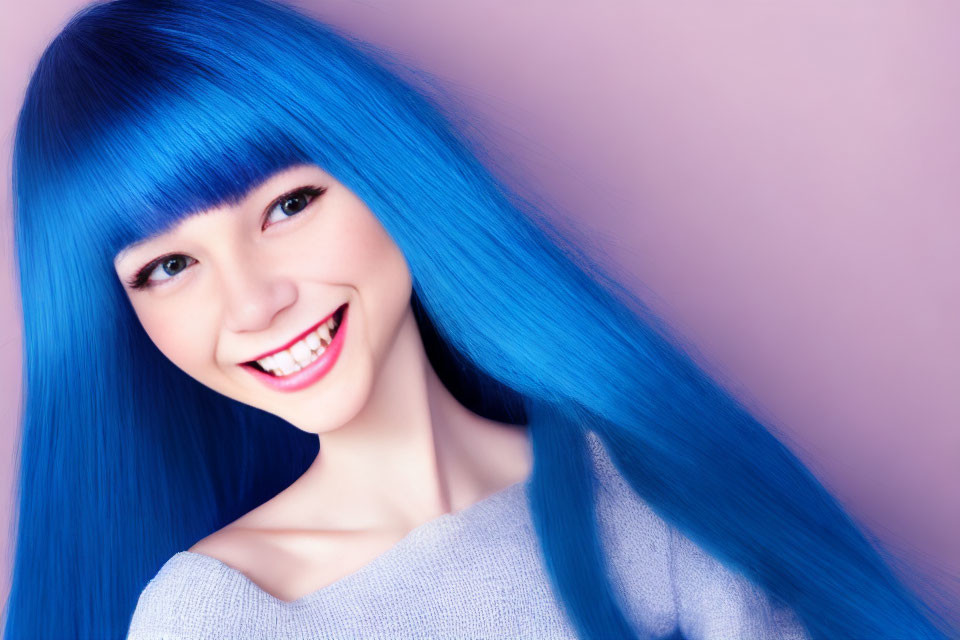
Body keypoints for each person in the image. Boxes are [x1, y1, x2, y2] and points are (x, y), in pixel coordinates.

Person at [3, 0, 954, 638]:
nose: (253, 302)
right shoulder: (217, 618)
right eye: (170, 268)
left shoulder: (643, 495)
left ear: (387, 180)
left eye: (288, 207)